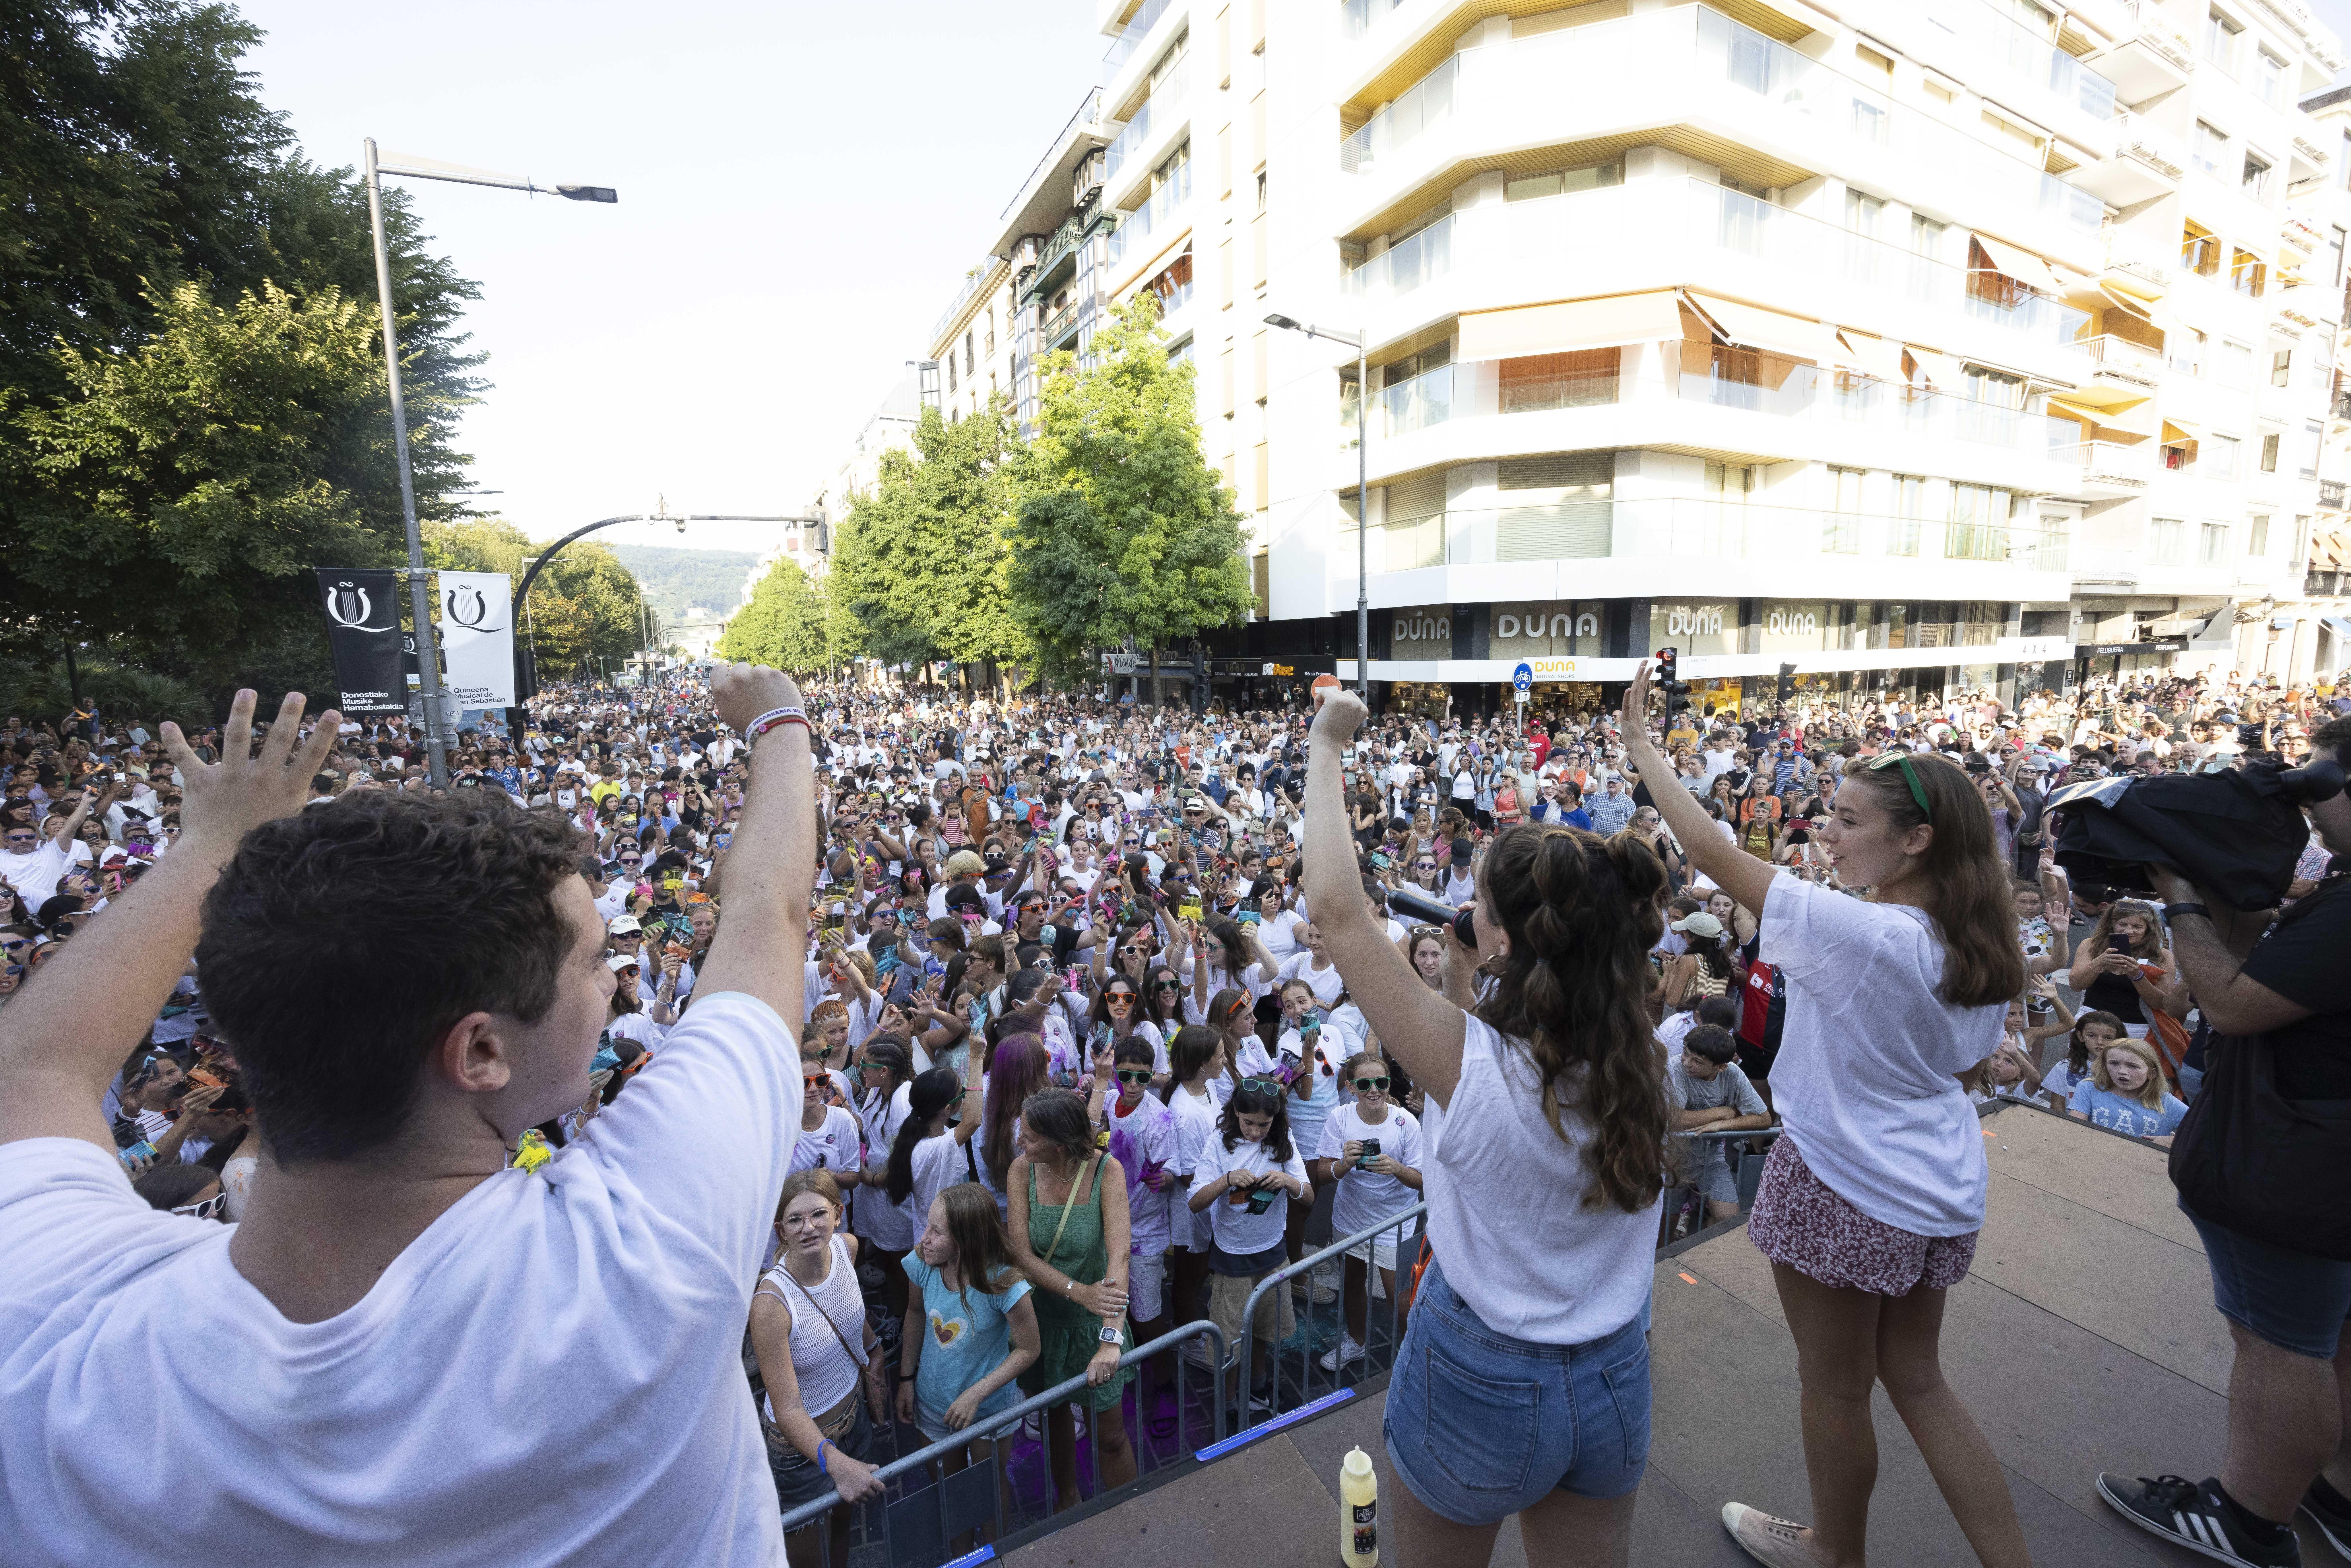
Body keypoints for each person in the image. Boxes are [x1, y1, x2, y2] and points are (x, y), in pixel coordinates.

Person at [0, 668, 823, 1564]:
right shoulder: (651, 1248)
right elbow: (766, 912)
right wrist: (778, 722)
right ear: (480, 1054)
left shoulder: (56, 1342)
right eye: (590, 965)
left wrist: (212, 848)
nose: (609, 984)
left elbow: (35, 1068)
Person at [1615, 668, 2036, 1568]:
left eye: (1849, 821)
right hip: (1940, 1181)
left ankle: (1833, 1552)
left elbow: (1716, 856)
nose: (1826, 833)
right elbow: (1964, 1065)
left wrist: (1645, 750)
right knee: (1919, 1382)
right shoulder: (1979, 941)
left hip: (1846, 1177)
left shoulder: (1867, 934)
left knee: (1836, 1390)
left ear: (1917, 839)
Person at [1303, 687, 1675, 1568]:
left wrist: (1326, 745)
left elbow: (1338, 911)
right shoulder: (1643, 1058)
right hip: (1614, 1368)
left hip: (1482, 1373)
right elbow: (1506, 1081)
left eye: (1473, 903)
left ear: (1502, 934)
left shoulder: (1469, 1065)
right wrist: (1468, 984)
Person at [2096, 715, 2351, 1565]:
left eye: (2326, 782)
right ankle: (2332, 1492)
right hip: (2323, 1154)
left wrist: (2177, 893)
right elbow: (2197, 993)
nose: (2310, 802)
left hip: (2298, 1162)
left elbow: (2233, 1007)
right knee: (2333, 1330)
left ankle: (2246, 1522)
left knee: (2281, 1344)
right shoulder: (2333, 900)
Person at [749, 1169, 892, 1568]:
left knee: (843, 1528)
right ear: (781, 1230)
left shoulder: (847, 1248)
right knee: (808, 1557)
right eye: (795, 1220)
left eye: (818, 1215)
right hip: (802, 1452)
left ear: (838, 1214)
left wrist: (873, 1346)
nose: (808, 1228)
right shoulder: (771, 1304)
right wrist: (837, 1464)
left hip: (855, 1420)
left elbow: (846, 1310)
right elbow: (789, 1408)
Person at [1006, 1087, 1136, 1513]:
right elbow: (1022, 1255)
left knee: (1112, 1435)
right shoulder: (1021, 1171)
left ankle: (1130, 1513)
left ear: (1059, 1143)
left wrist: (1110, 1339)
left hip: (1095, 1321)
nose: (1020, 1142)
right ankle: (1068, 1501)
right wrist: (1079, 1292)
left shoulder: (1108, 1172)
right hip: (1044, 1320)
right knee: (1055, 1418)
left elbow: (1118, 1259)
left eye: (1029, 1136)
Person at [896, 1183, 1040, 1550]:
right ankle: (962, 1557)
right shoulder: (922, 1264)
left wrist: (977, 1394)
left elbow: (1028, 1348)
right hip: (933, 1406)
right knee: (952, 1491)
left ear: (966, 1240)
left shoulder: (1003, 1283)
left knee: (989, 1487)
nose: (924, 1239)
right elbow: (914, 1314)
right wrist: (906, 1379)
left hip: (989, 1412)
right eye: (927, 1227)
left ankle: (997, 1555)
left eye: (936, 1232)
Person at [1186, 1076, 1312, 1415]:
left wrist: (1288, 1181)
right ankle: (1228, 1407)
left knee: (1263, 1331)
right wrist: (1226, 1180)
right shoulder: (1219, 1142)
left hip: (1272, 1253)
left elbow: (1309, 1195)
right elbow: (1195, 1202)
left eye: (1264, 1124)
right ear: (1235, 1114)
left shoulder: (1282, 1140)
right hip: (1232, 1259)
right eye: (1249, 1123)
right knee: (1229, 1342)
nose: (1256, 1132)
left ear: (1277, 1119)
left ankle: (1258, 1390)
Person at [1311, 1049, 1424, 1371]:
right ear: (1350, 1087)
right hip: (1350, 1218)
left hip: (1394, 1225)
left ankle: (1410, 1354)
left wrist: (1395, 1168)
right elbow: (1321, 1174)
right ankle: (1356, 1342)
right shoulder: (1340, 1118)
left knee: (1400, 1298)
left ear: (1390, 1083)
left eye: (1381, 1082)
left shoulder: (1407, 1123)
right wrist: (1344, 1165)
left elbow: (1421, 1181)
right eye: (1364, 1084)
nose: (1374, 1090)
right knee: (1351, 1281)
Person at [1669, 1024, 1772, 1225]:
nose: (1687, 1063)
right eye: (1685, 1053)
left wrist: (1722, 1126)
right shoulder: (1675, 1068)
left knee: (1728, 1219)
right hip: (1672, 1159)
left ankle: (1701, 1251)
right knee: (1667, 1225)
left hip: (1711, 1158)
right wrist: (1720, 1113)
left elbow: (1763, 1119)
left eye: (1697, 1061)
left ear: (1720, 1067)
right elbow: (1674, 1119)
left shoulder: (1732, 1074)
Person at [2063, 1037, 2186, 1142]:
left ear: (2152, 1073)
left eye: (2133, 1066)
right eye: (2114, 1064)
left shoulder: (2166, 1102)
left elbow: (2204, 1133)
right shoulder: (2089, 1088)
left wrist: (2173, 1142)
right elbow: (2074, 1128)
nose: (2122, 1072)